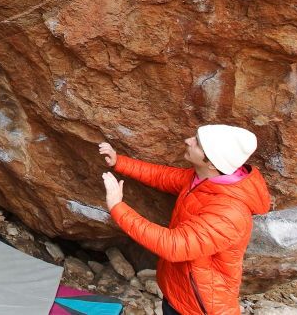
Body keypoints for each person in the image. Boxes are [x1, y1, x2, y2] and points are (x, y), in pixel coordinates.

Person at [99, 125, 271, 315]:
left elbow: (173, 245)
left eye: (197, 143)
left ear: (212, 163)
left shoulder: (229, 213)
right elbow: (163, 176)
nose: (188, 141)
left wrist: (118, 207)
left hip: (200, 306)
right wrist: (119, 162)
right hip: (178, 290)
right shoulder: (204, 178)